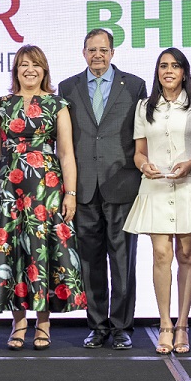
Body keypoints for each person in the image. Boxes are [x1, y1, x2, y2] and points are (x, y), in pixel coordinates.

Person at [0, 45, 86, 349]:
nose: (30, 70)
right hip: (8, 188)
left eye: (36, 65)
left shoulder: (57, 104)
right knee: (12, 251)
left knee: (43, 251)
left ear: (44, 70)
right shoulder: (1, 104)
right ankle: (18, 324)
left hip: (47, 188)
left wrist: (71, 194)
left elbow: (66, 153)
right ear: (15, 70)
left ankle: (43, 323)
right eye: (23, 64)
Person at [57, 29, 147, 350]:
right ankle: (97, 325)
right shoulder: (67, 88)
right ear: (83, 52)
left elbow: (142, 133)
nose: (98, 55)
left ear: (112, 53)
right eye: (92, 49)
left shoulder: (134, 86)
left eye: (103, 49)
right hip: (82, 187)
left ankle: (122, 327)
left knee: (123, 261)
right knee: (89, 262)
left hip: (122, 184)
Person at [123, 48, 191, 355]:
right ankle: (165, 324)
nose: (168, 71)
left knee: (186, 254)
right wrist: (144, 165)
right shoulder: (144, 107)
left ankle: (183, 324)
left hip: (188, 185)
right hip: (156, 186)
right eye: (163, 66)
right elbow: (139, 152)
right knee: (160, 254)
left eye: (175, 66)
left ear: (184, 72)